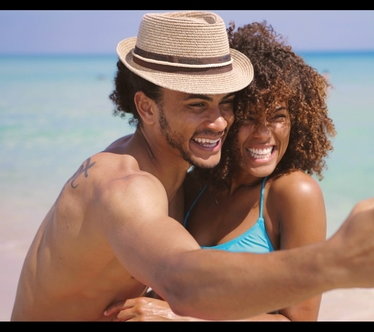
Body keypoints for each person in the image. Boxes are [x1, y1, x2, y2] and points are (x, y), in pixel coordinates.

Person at [11, 11, 374, 321]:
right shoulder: (128, 187)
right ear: (146, 107)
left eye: (226, 103)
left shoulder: (179, 177)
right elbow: (181, 278)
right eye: (196, 104)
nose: (218, 121)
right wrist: (340, 261)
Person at [104, 21, 334, 321]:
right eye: (249, 118)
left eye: (278, 116)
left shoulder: (293, 193)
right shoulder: (193, 185)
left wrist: (185, 318)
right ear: (227, 118)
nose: (264, 134)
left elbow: (298, 319)